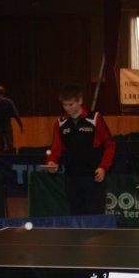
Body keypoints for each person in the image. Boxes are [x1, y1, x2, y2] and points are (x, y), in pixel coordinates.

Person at [44, 84, 116, 215]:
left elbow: (109, 144)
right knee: (76, 217)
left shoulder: (95, 118)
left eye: (71, 104)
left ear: (80, 101)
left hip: (94, 178)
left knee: (95, 217)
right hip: (72, 179)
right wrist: (52, 162)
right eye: (64, 105)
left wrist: (103, 167)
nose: (67, 108)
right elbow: (55, 149)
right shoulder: (60, 123)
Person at [0, 85, 24, 153]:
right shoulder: (9, 101)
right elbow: (16, 114)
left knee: (0, 146)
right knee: (10, 145)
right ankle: (11, 158)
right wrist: (21, 125)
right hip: (7, 125)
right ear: (3, 93)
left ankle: (1, 159)